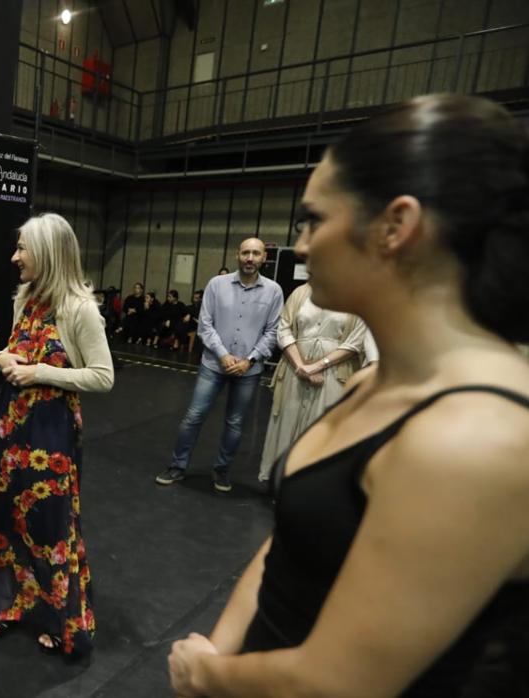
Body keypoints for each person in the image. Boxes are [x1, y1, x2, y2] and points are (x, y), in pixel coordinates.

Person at [167, 94, 529, 696]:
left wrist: (206, 673)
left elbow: (337, 683)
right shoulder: (372, 384)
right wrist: (219, 647)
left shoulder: (475, 436)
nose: (302, 245)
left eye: (314, 220)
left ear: (395, 226)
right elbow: (289, 546)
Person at [0, 213, 114, 656]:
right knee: (5, 520)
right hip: (8, 427)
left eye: (23, 248)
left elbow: (103, 376)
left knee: (50, 528)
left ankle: (64, 622)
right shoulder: (25, 298)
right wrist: (2, 358)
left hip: (50, 435)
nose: (14, 257)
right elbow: (11, 350)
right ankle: (9, 605)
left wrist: (40, 372)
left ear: (48, 253)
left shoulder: (79, 309)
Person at [155, 239, 283, 492]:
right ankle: (177, 466)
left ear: (264, 257)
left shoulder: (274, 291)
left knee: (235, 423)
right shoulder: (216, 284)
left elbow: (272, 331)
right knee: (193, 417)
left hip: (249, 370)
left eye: (255, 253)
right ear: (237, 255)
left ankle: (222, 471)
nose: (250, 258)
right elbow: (205, 325)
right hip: (213, 364)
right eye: (245, 252)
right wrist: (223, 355)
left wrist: (250, 360)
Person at [257, 282, 368, 481]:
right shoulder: (300, 292)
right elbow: (284, 329)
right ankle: (280, 480)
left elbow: (356, 341)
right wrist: (301, 366)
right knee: (287, 422)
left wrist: (318, 366)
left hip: (334, 373)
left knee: (322, 427)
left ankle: (309, 485)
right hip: (295, 370)